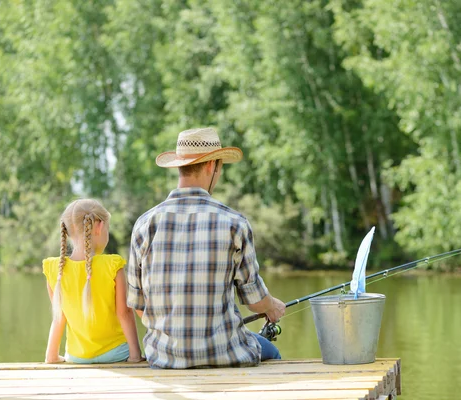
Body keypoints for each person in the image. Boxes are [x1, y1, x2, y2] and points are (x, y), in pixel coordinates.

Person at [127, 127, 286, 369]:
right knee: (271, 352)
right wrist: (272, 306)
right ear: (211, 166)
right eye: (220, 168)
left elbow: (138, 304)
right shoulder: (235, 223)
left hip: (164, 358)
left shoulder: (144, 224)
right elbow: (255, 302)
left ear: (180, 166)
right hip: (225, 355)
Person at [42, 199, 143, 364]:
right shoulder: (112, 265)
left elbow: (59, 318)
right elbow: (124, 313)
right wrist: (135, 355)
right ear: (99, 227)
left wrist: (51, 356)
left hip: (77, 356)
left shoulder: (55, 270)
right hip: (116, 353)